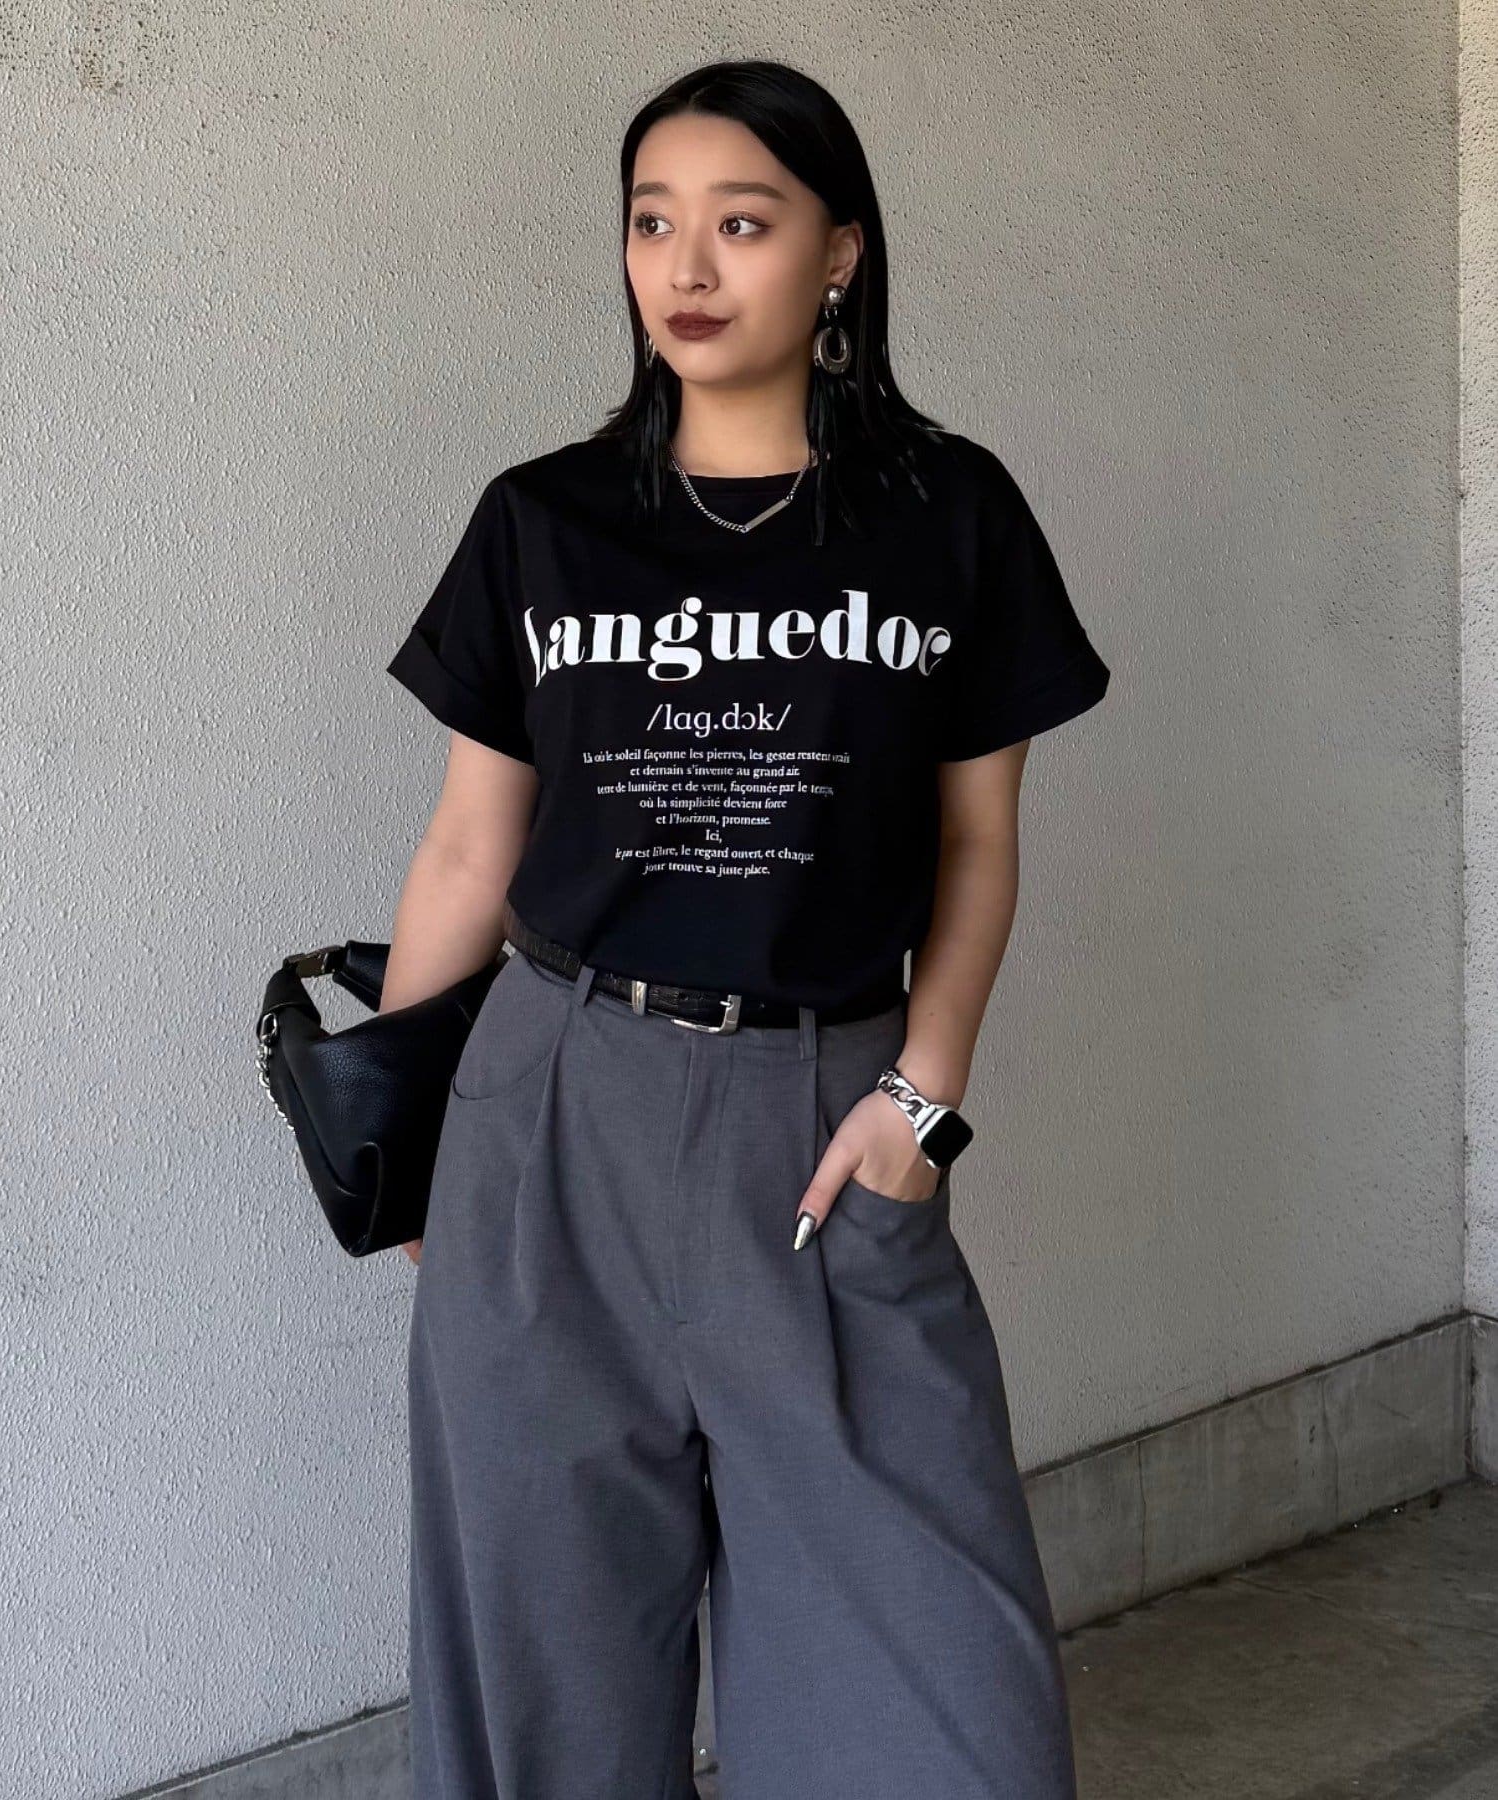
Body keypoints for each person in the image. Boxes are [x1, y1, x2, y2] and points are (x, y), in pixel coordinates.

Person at [381, 57, 1110, 1800]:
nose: (687, 266)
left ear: (840, 253)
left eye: (743, 222)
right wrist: (409, 1137)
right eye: (653, 223)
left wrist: (923, 1106)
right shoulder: (543, 519)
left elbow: (979, 846)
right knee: (543, 1691)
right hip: (554, 1110)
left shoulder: (949, 513)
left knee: (945, 1726)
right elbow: (471, 845)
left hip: (827, 1122)